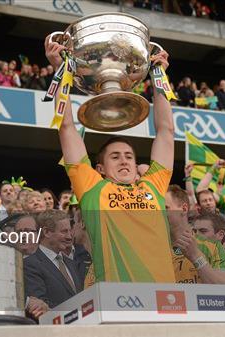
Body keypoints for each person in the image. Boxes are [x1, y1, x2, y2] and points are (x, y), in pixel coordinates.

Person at [46, 36, 176, 283]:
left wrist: (159, 78)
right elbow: (67, 129)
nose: (124, 161)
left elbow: (166, 132)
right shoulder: (93, 188)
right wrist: (59, 71)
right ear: (100, 168)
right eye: (115, 157)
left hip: (166, 298)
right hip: (120, 299)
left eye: (129, 156)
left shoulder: (152, 186)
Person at [166, 185, 225, 284]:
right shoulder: (154, 247)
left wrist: (195, 256)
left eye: (165, 208)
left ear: (184, 209)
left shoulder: (211, 245)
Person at [24, 210, 82, 308]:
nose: (69, 237)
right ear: (46, 232)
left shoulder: (72, 263)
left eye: (69, 231)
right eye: (64, 232)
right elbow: (40, 306)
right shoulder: (30, 265)